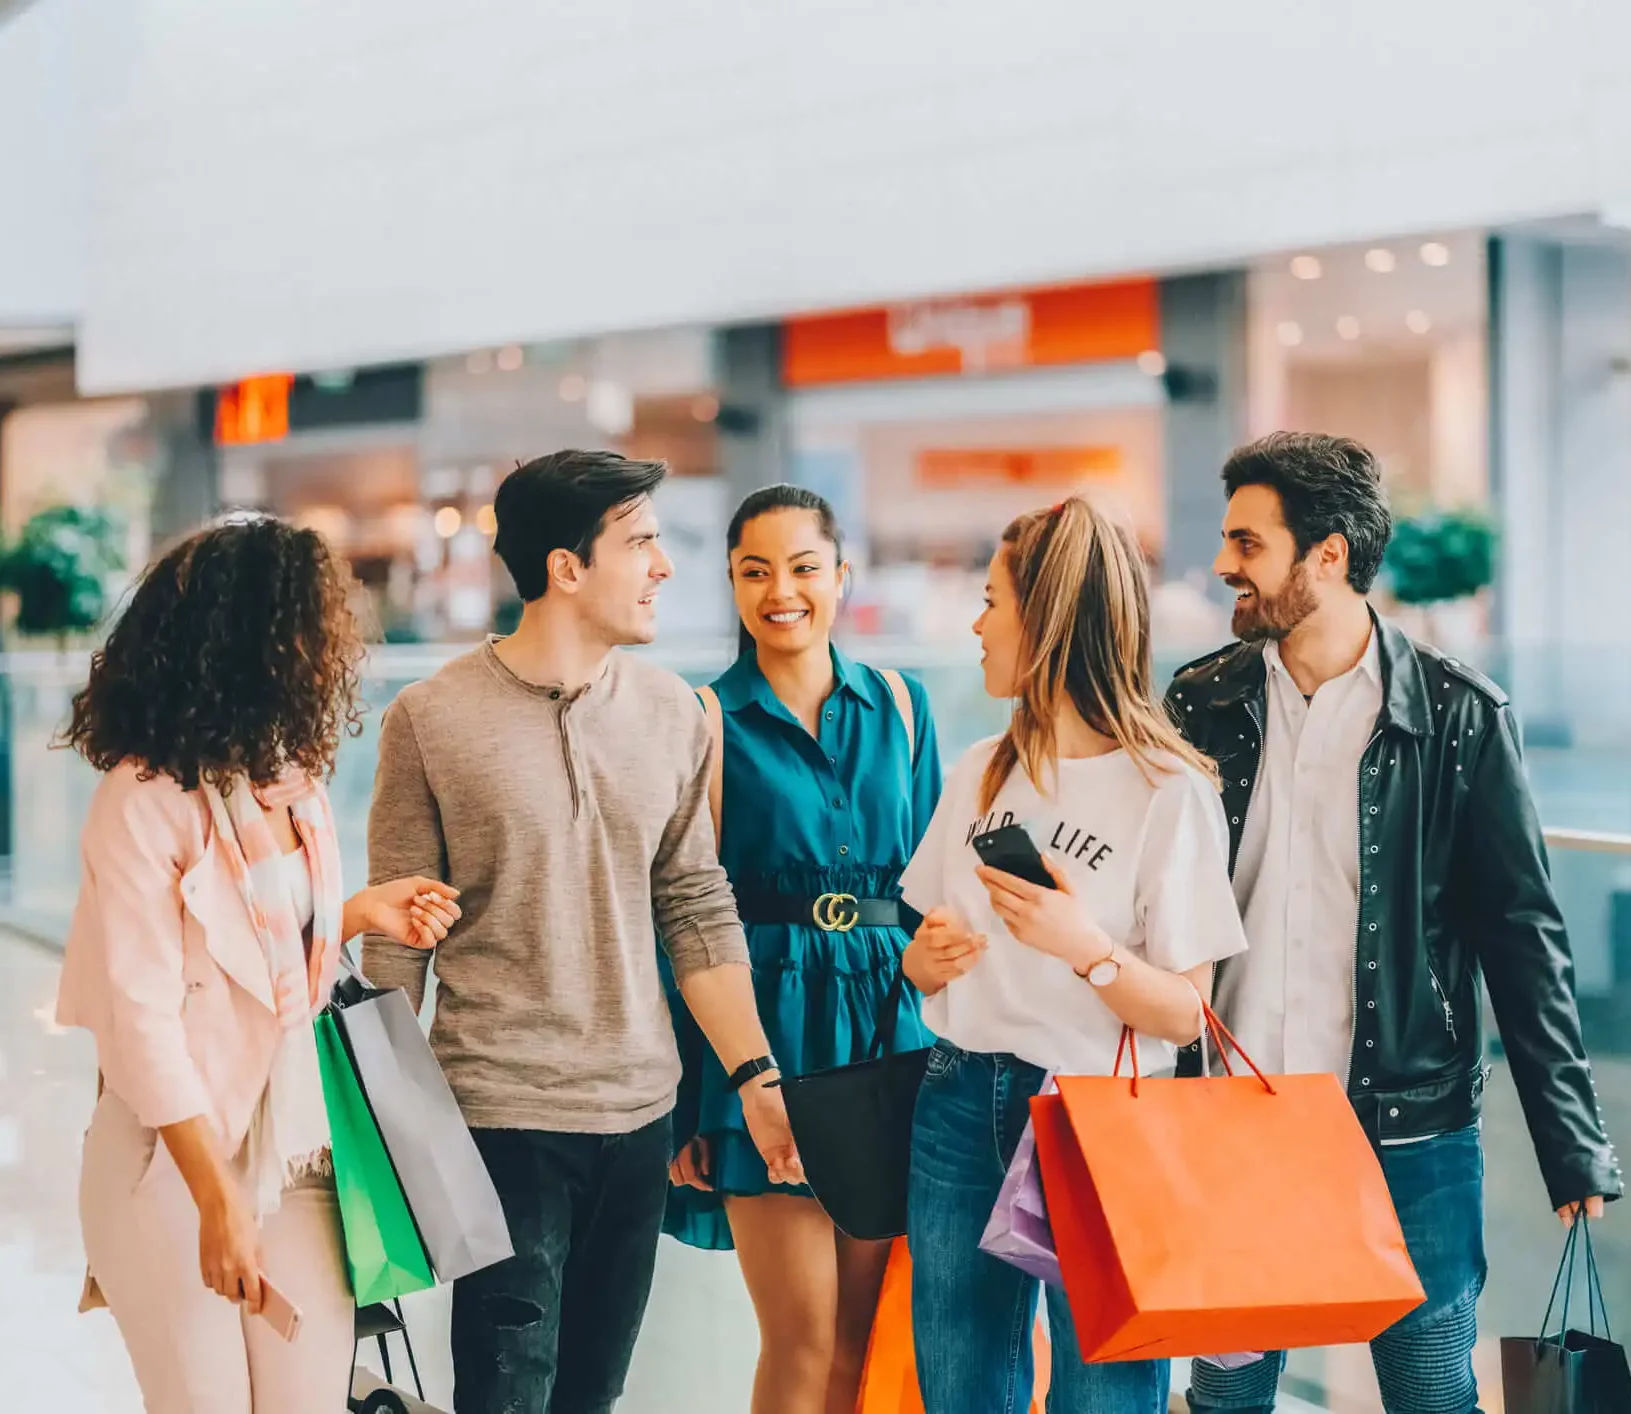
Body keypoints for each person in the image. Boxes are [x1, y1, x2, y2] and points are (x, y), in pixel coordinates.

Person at [1169, 432, 1622, 1414]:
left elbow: (1520, 931)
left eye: (1246, 542)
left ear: (1325, 555)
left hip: (1406, 1127)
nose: (1221, 565)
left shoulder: (1457, 714)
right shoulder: (1199, 702)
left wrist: (1570, 1141)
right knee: (1227, 1396)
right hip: (1229, 1117)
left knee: (1427, 1396)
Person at [363, 449, 803, 1414]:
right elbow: (395, 940)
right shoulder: (428, 719)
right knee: (504, 1394)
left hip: (639, 1118)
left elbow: (693, 903)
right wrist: (382, 1138)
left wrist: (755, 1079)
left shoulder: (676, 715)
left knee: (590, 1396)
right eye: (641, 542)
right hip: (497, 1118)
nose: (664, 566)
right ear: (566, 567)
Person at [55, 516, 461, 1414]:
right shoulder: (143, 800)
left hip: (295, 1151)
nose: (330, 644)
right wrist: (217, 1199)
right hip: (172, 1160)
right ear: (256, 639)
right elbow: (141, 1020)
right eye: (313, 623)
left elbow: (270, 965)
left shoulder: (292, 786)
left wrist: (353, 915)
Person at [899, 497, 1249, 1414]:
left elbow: (1186, 1014)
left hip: (1099, 1117)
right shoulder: (981, 767)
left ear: (1048, 617)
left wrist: (1085, 950)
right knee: (960, 1388)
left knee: (1108, 1396)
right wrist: (927, 957)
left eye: (991, 601)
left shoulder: (1166, 791)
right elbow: (921, 955)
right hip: (958, 1094)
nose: (975, 624)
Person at [664, 485, 942, 1414]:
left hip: (887, 1033)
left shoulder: (902, 706)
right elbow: (682, 921)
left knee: (858, 1343)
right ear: (733, 586)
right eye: (754, 571)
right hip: (764, 1037)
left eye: (801, 567)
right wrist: (691, 1100)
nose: (780, 590)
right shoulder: (703, 721)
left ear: (840, 574)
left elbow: (933, 887)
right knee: (800, 1336)